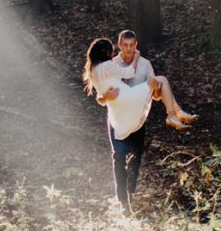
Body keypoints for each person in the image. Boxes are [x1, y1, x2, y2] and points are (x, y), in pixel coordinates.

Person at [82, 30, 196, 213]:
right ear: (119, 45)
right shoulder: (112, 63)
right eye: (124, 45)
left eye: (131, 45)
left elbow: (158, 94)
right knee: (118, 156)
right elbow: (100, 98)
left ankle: (130, 193)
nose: (128, 49)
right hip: (118, 115)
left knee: (135, 158)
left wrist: (153, 87)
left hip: (137, 115)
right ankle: (123, 201)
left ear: (136, 45)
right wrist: (105, 96)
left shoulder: (145, 65)